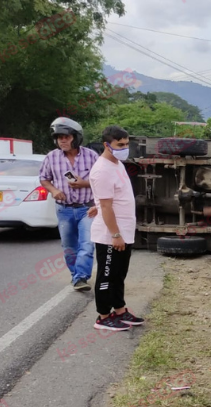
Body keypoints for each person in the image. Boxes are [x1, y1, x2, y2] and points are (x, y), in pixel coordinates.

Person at [89, 125, 144, 331]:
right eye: (120, 145)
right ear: (106, 145)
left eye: (126, 144)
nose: (124, 148)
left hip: (124, 230)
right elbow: (106, 205)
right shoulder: (102, 169)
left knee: (119, 274)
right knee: (106, 275)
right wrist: (115, 234)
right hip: (110, 234)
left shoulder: (117, 164)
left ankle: (119, 310)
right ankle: (103, 316)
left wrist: (97, 205)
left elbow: (110, 197)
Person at [39, 117, 99, 291]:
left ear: (76, 137)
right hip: (64, 210)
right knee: (69, 247)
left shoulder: (91, 156)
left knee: (87, 244)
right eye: (59, 138)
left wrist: (84, 183)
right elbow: (44, 179)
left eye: (66, 137)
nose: (62, 141)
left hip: (87, 208)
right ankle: (76, 277)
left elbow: (101, 180)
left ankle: (81, 277)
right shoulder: (51, 157)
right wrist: (53, 190)